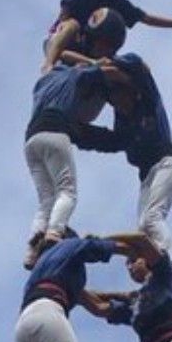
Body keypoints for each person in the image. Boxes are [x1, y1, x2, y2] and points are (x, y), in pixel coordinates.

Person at [76, 55, 172, 257]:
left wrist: (104, 64)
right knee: (144, 230)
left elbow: (138, 66)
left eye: (121, 96)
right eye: (114, 101)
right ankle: (154, 272)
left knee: (151, 218)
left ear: (131, 92)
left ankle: (169, 264)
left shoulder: (148, 101)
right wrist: (75, 132)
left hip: (166, 165)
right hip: (147, 177)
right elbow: (106, 141)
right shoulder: (124, 129)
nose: (120, 103)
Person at [24, 50, 110, 245]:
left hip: (31, 139)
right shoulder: (74, 74)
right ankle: (54, 233)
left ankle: (32, 246)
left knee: (46, 199)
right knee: (67, 191)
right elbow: (100, 70)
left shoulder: (43, 82)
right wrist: (96, 62)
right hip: (55, 131)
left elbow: (62, 54)